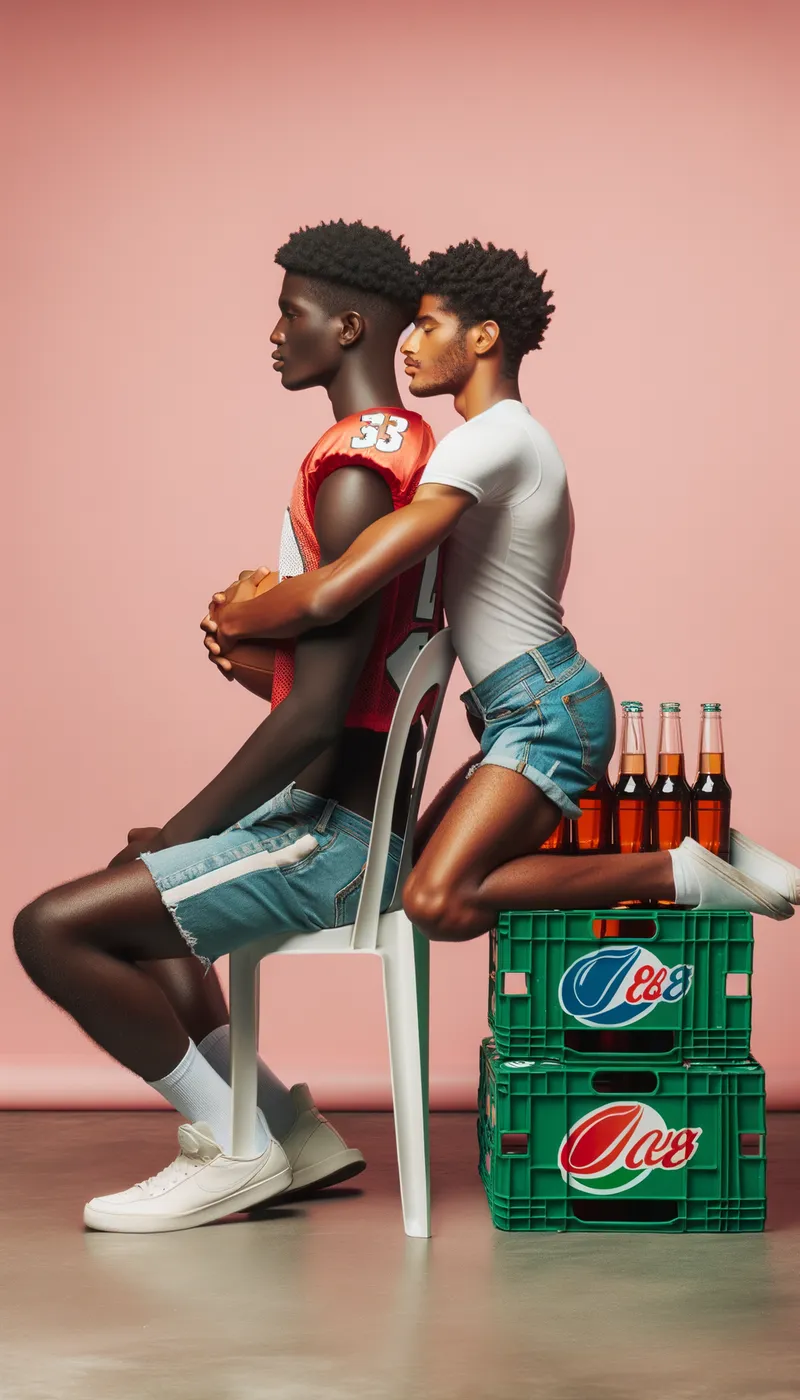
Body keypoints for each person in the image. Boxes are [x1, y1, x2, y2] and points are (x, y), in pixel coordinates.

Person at [13, 220, 442, 1233]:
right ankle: (286, 1123)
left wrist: (185, 828)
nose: (274, 330)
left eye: (290, 311)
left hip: (329, 837)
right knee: (139, 886)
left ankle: (233, 1144)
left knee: (49, 928)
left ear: (346, 325)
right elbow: (343, 687)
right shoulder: (408, 451)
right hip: (345, 814)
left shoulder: (349, 474)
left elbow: (317, 715)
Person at [204, 239, 798, 931]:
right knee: (409, 883)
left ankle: (676, 869)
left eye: (429, 327)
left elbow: (340, 586)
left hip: (546, 710)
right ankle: (707, 853)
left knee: (435, 901)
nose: (409, 344)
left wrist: (240, 619)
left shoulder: (487, 442)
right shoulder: (505, 440)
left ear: (483, 337)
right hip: (526, 704)